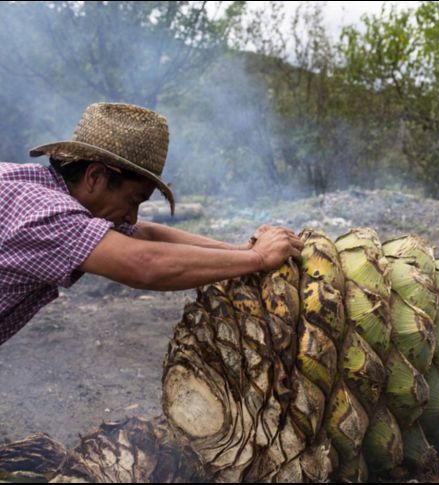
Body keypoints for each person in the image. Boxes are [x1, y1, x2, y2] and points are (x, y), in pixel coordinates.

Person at [0, 102, 304, 346]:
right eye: (133, 200)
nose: (131, 216)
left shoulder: (40, 188)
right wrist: (258, 259)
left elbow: (144, 233)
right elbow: (144, 264)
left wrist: (241, 250)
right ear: (95, 176)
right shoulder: (45, 214)